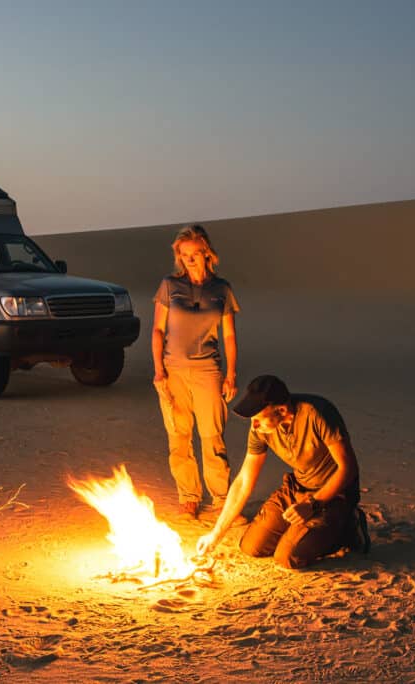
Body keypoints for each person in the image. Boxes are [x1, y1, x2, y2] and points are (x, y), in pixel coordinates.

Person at [196, 375, 370, 569]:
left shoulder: (317, 413)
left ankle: (348, 528)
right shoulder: (260, 429)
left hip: (333, 494)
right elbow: (244, 480)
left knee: (288, 557)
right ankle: (303, 530)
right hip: (298, 487)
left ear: (281, 410)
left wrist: (312, 504)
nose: (254, 425)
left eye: (258, 418)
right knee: (251, 546)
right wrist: (216, 534)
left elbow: (348, 469)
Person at [152, 225, 240, 519]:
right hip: (173, 369)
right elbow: (158, 329)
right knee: (178, 435)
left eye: (195, 253)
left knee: (212, 435)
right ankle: (189, 496)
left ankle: (221, 497)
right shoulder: (169, 285)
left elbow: (228, 335)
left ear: (207, 253)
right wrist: (158, 371)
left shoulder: (221, 289)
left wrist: (231, 375)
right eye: (184, 254)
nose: (189, 259)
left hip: (208, 370)